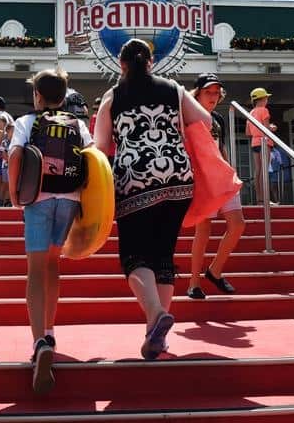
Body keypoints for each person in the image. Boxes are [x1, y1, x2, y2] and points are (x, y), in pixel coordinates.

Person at [94, 39, 211, 360]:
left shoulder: (113, 96)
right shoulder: (173, 88)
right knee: (163, 255)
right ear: (151, 62)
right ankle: (155, 336)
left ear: (121, 65)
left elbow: (100, 146)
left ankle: (156, 314)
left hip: (134, 180)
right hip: (178, 177)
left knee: (134, 256)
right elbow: (207, 120)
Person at [9, 67, 93, 394]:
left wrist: (15, 192)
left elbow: (16, 154)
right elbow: (92, 158)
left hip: (39, 199)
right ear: (64, 96)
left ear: (38, 96)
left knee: (35, 270)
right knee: (54, 265)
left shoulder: (26, 122)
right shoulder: (78, 124)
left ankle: (39, 341)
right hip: (68, 200)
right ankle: (51, 329)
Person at [186, 73, 247, 300]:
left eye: (216, 93)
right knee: (203, 229)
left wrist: (230, 170)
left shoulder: (218, 120)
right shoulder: (188, 118)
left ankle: (214, 270)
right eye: (208, 92)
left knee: (238, 225)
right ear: (197, 93)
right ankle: (194, 283)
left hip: (221, 176)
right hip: (201, 179)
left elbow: (220, 148)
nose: (213, 97)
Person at [246, 87, 277, 205]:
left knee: (258, 170)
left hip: (255, 142)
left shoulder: (251, 112)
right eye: (266, 98)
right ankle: (265, 199)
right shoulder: (264, 110)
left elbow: (248, 132)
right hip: (265, 142)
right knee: (264, 170)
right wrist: (272, 128)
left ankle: (259, 199)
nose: (267, 100)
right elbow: (266, 129)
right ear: (262, 99)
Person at [0, 122, 15, 207]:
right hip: (6, 166)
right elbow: (3, 154)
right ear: (8, 131)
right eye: (12, 130)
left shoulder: (16, 142)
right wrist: (11, 161)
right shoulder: (4, 142)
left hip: (14, 166)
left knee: (11, 184)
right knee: (5, 184)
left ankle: (8, 201)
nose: (14, 131)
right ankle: (1, 200)